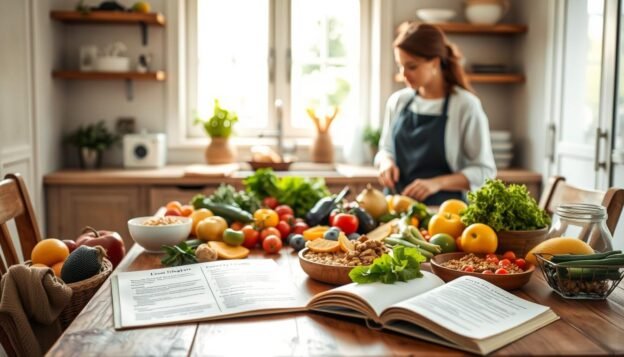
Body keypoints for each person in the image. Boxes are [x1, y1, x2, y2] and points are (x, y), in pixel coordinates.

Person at [375, 23, 496, 205]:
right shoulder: (398, 102)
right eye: (400, 66)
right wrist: (386, 162)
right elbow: (385, 149)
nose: (404, 74)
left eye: (412, 67)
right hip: (394, 208)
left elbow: (485, 171)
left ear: (435, 62)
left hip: (445, 214)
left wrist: (437, 183)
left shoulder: (465, 106)